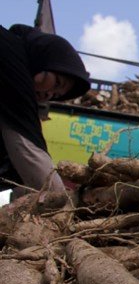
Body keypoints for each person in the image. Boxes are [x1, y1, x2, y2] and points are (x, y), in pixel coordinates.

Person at [0, 23, 91, 198]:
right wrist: (60, 202)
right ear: (44, 59)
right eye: (57, 83)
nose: (48, 94)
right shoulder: (12, 59)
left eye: (55, 94)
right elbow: (27, 147)